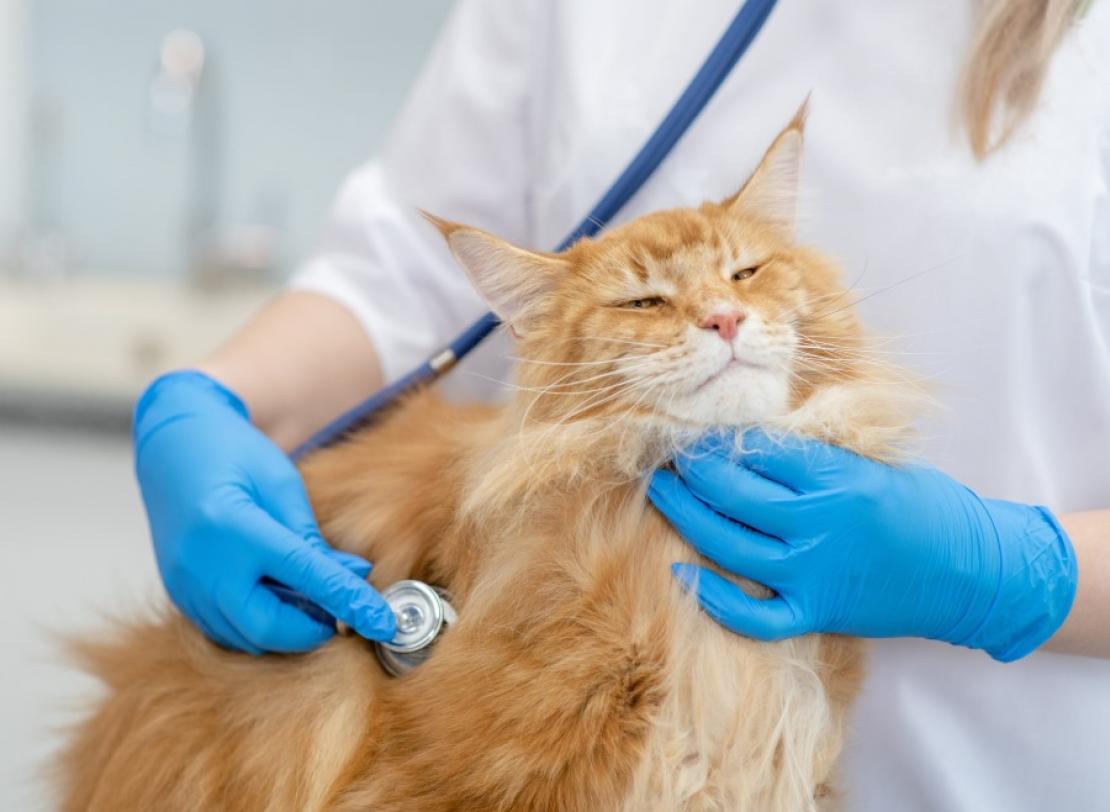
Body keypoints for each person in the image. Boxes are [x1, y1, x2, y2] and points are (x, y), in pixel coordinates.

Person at [131, 1, 1110, 808]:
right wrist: (213, 400)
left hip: (1007, 767)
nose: (720, 317)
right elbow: (405, 272)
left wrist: (1021, 572)